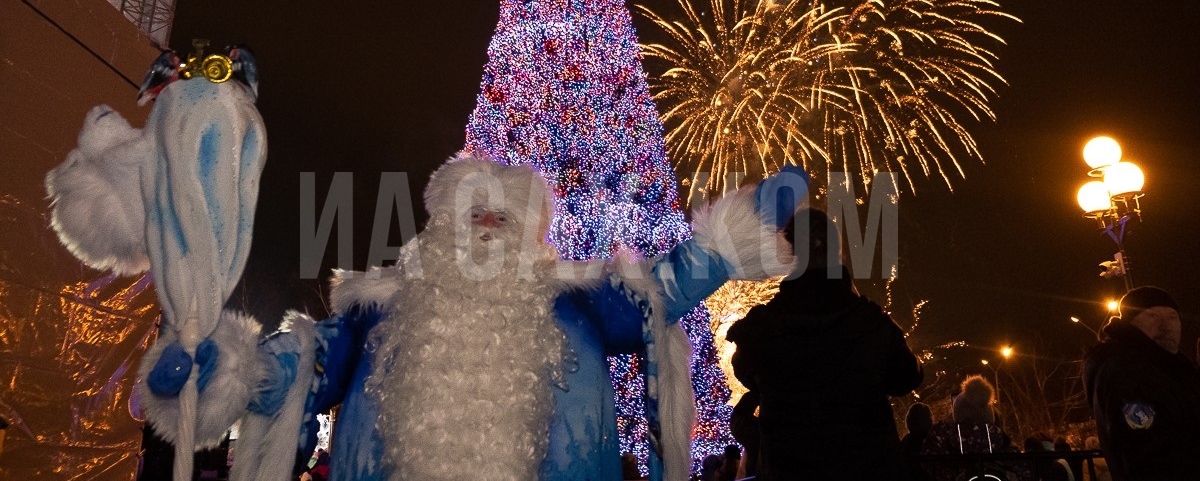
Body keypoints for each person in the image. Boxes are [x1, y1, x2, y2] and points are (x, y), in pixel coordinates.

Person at [134, 155, 795, 481]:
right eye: (471, 212)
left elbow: (664, 287)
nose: (484, 225)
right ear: (440, 220)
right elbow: (297, 364)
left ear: (530, 231)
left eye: (500, 216)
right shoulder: (381, 305)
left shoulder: (579, 300)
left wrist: (725, 243)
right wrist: (228, 367)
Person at [726, 206, 923, 480]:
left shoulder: (761, 327)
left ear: (787, 258)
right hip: (865, 467)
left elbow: (745, 373)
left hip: (789, 469)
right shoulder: (868, 322)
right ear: (836, 253)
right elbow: (908, 377)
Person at [1082, 285, 1200, 480]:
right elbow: (1151, 456)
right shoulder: (1127, 372)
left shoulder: (1170, 369)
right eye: (1152, 316)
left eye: (1172, 317)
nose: (1165, 326)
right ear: (1131, 324)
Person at [921, 375, 1015, 480]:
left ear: (958, 411)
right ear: (988, 412)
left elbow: (927, 461)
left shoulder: (945, 432)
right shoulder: (997, 433)